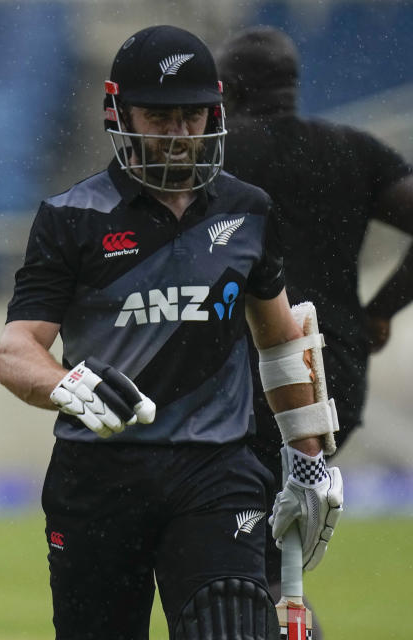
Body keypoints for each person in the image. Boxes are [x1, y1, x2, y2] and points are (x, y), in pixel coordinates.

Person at [0, 25, 343, 640]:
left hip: (217, 469)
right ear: (118, 112)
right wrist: (64, 384)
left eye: (194, 115)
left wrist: (308, 458)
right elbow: (17, 350)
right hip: (97, 476)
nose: (181, 134)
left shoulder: (250, 210)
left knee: (232, 623)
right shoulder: (71, 217)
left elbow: (283, 343)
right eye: (160, 116)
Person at [216, 25, 413, 637]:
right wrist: (382, 308)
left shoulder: (217, 158)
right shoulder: (356, 151)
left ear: (225, 91)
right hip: (333, 384)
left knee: (238, 562)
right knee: (273, 557)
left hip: (234, 388)